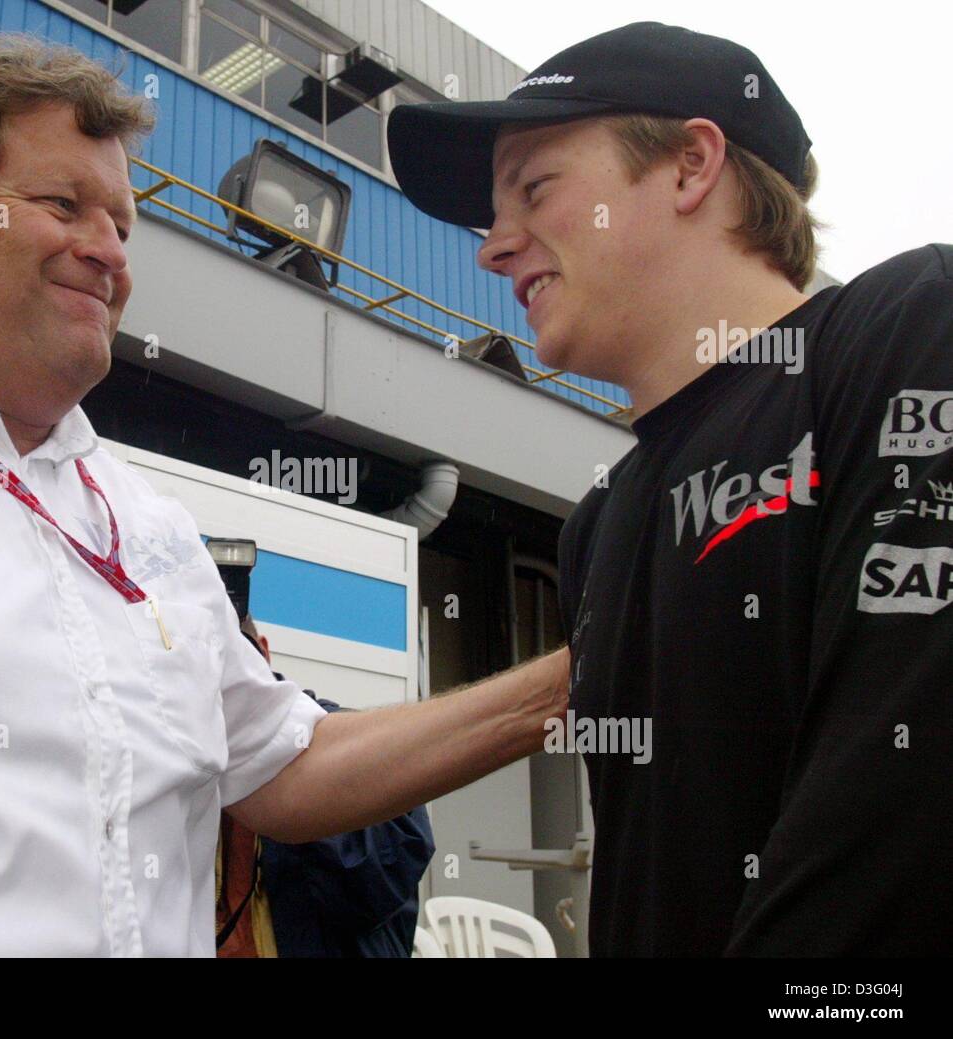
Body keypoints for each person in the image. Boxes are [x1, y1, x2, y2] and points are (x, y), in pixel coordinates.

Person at [0, 33, 568, 957]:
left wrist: (587, 672)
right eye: (63, 206)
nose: (108, 253)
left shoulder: (150, 528)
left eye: (122, 227)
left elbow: (289, 767)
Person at [388, 21, 953, 956]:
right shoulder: (600, 524)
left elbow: (904, 813)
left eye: (534, 189)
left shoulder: (904, 333)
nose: (494, 247)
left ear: (692, 164)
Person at [215, 615, 433, 958]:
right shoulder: (188, 766)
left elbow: (382, 879)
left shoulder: (341, 742)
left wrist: (288, 776)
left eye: (231, 662)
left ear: (263, 653)